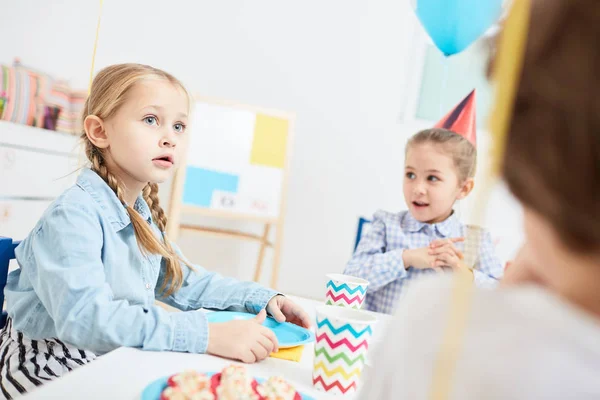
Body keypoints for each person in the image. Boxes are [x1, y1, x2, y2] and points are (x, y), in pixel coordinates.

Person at [0, 63, 310, 399]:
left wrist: (263, 298)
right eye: (151, 120)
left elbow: (186, 281)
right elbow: (88, 320)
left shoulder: (139, 214)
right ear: (100, 132)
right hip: (44, 367)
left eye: (179, 126)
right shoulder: (72, 217)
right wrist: (208, 335)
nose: (170, 138)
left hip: (103, 356)